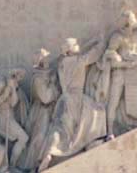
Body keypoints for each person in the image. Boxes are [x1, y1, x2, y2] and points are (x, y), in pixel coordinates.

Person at [38, 38, 106, 171]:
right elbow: (95, 54)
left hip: (64, 99)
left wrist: (86, 44)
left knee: (61, 128)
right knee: (98, 112)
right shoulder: (79, 61)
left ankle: (49, 152)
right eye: (75, 45)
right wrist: (100, 41)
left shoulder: (62, 63)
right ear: (70, 49)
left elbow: (70, 54)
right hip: (77, 98)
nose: (78, 46)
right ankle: (92, 141)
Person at [19, 49, 60, 172]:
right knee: (40, 137)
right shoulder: (37, 78)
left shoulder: (48, 74)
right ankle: (33, 165)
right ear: (40, 62)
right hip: (41, 112)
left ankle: (45, 159)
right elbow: (46, 98)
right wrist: (53, 85)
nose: (48, 60)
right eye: (45, 58)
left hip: (51, 110)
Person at [0, 68, 29, 167]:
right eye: (19, 76)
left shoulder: (13, 85)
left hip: (10, 117)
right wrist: (4, 95)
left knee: (23, 138)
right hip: (1, 117)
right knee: (24, 137)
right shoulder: (1, 84)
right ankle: (12, 165)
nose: (19, 79)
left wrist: (13, 89)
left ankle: (12, 165)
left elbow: (13, 103)